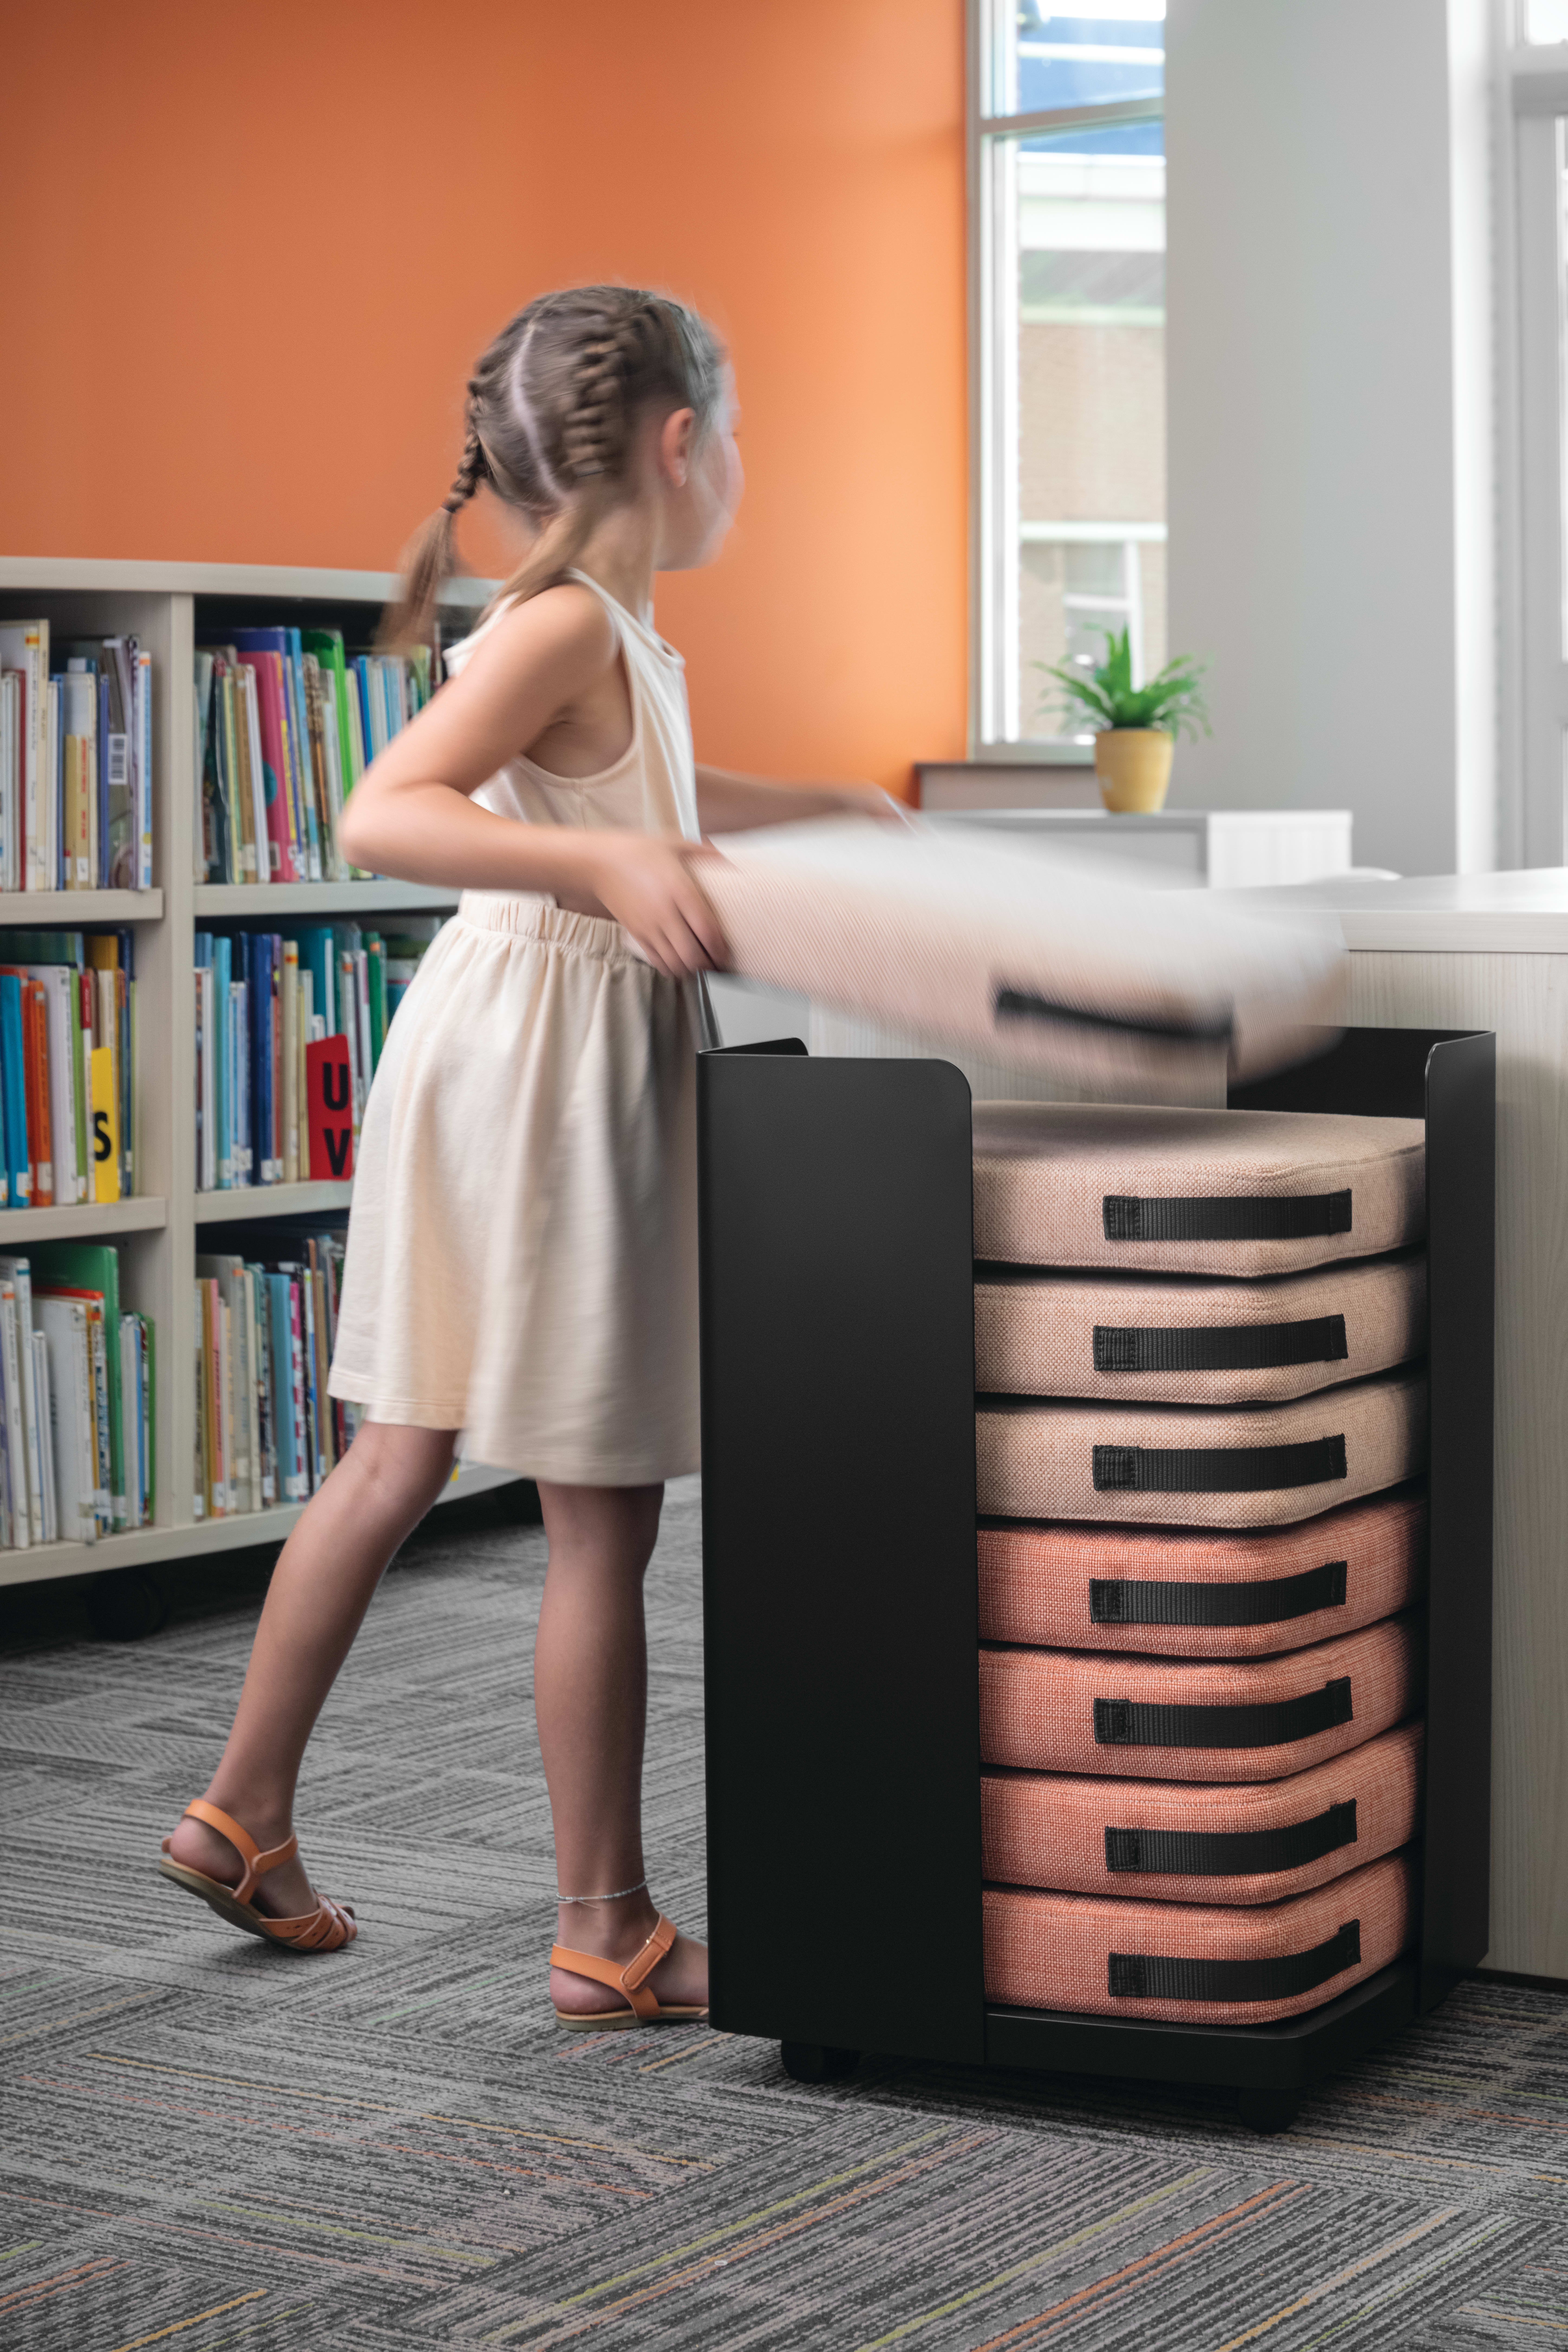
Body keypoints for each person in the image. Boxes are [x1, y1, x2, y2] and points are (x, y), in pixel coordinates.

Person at [159, 284, 889, 2025]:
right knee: (597, 1510)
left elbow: (631, 806)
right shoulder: (562, 627)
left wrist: (819, 816)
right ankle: (609, 1926)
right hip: (552, 1066)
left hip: (489, 1050)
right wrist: (614, 881)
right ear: (682, 442)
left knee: (396, 1449)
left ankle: (242, 1808)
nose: (745, 471)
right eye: (746, 440)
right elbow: (386, 811)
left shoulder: (606, 637)